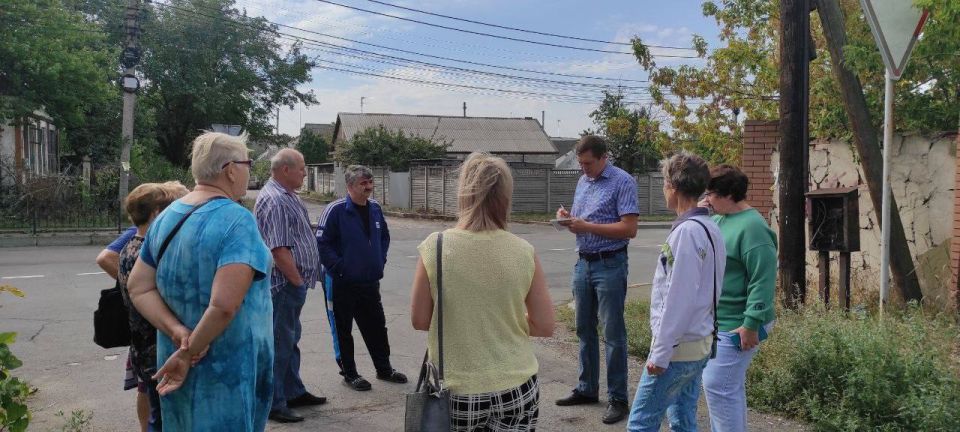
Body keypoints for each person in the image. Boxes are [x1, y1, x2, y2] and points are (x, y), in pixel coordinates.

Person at [127, 132, 274, 431]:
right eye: (247, 164)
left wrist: (177, 332)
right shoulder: (237, 220)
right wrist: (188, 353)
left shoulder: (167, 216)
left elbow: (138, 287)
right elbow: (224, 306)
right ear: (230, 170)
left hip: (174, 364)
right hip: (224, 373)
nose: (249, 172)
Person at [410, 152, 555, 431]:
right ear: (506, 197)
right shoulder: (524, 251)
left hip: (455, 393)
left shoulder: (435, 247)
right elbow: (545, 325)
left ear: (463, 194)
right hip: (516, 388)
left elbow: (419, 320)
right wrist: (504, 320)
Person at [626, 152, 726, 432]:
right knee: (682, 418)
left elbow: (679, 298)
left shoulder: (686, 233)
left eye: (664, 183)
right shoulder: (709, 227)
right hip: (700, 342)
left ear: (672, 186)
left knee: (641, 423)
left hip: (678, 349)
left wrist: (660, 353)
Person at [554, 135, 638, 424]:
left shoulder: (622, 181)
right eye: (580, 163)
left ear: (604, 158)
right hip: (584, 262)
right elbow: (582, 220)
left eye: (588, 163)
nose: (583, 168)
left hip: (610, 263)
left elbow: (629, 228)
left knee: (613, 333)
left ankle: (618, 398)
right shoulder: (583, 181)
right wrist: (568, 218)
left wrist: (587, 226)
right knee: (584, 329)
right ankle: (587, 388)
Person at [700, 164, 777, 432]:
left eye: (711, 194)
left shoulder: (753, 227)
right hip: (720, 319)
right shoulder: (719, 220)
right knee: (728, 388)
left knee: (717, 384)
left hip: (740, 322)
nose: (707, 199)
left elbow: (763, 279)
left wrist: (751, 323)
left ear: (729, 195)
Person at [317, 165, 407, 391]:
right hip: (341, 282)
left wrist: (379, 260)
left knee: (377, 326)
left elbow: (384, 237)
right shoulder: (335, 210)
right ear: (350, 186)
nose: (368, 187)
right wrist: (340, 268)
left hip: (369, 281)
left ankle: (384, 369)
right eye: (363, 183)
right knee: (342, 329)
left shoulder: (375, 208)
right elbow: (322, 243)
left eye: (370, 182)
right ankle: (350, 373)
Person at [254, 148, 326, 424]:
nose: (305, 173)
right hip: (283, 284)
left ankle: (292, 391)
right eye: (302, 168)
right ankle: (274, 403)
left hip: (291, 284)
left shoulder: (287, 196)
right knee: (279, 343)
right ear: (285, 170)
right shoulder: (276, 200)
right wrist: (296, 280)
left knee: (289, 339)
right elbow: (278, 249)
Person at [117, 181, 190, 432]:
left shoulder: (129, 247)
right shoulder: (149, 253)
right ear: (156, 214)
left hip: (141, 347)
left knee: (157, 413)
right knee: (163, 417)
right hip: (157, 347)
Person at [96, 225, 148, 432]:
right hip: (147, 324)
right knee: (148, 385)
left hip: (142, 323)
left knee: (147, 386)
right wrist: (135, 288)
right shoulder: (143, 229)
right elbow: (105, 258)